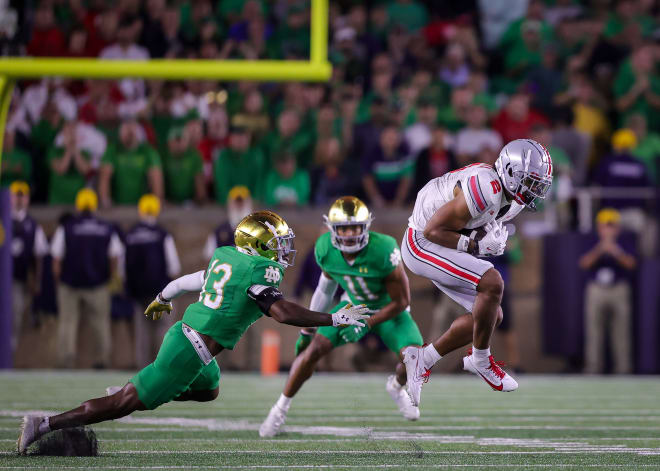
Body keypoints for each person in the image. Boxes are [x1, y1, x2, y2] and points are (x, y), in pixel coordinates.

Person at [17, 211, 369, 454]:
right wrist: (335, 319)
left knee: (210, 390)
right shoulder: (258, 271)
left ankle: (136, 386)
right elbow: (282, 312)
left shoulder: (227, 256)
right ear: (259, 245)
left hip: (192, 342)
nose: (282, 249)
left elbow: (191, 280)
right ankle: (44, 424)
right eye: (277, 242)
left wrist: (162, 297)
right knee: (122, 406)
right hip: (188, 349)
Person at [400, 139, 553, 405]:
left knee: (491, 315)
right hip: (420, 243)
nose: (535, 189)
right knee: (492, 282)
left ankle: (423, 359)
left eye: (538, 183)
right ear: (510, 173)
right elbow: (432, 231)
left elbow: (469, 225)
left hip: (439, 240)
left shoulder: (511, 201)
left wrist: (482, 241)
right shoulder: (487, 188)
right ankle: (480, 360)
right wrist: (476, 245)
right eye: (530, 182)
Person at [260, 197, 423, 437]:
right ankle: (279, 410)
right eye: (343, 228)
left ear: (365, 227)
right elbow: (324, 290)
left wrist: (368, 323)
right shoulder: (325, 248)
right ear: (332, 229)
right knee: (313, 351)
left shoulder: (384, 249)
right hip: (354, 305)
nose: (348, 234)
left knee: (415, 361)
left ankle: (396, 387)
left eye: (354, 227)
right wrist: (308, 330)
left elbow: (402, 301)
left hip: (390, 310)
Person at [50, 188, 123, 369]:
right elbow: (115, 255)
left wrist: (58, 279)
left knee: (67, 323)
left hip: (70, 284)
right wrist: (113, 276)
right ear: (95, 206)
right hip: (98, 284)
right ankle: (102, 361)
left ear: (78, 205)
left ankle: (66, 361)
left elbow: (56, 258)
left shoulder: (66, 227)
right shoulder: (106, 228)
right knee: (101, 324)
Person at [125, 194, 181, 368]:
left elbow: (123, 263)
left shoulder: (131, 233)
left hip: (137, 291)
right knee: (163, 330)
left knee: (142, 331)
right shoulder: (162, 234)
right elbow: (174, 266)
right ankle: (163, 365)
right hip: (160, 290)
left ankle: (143, 366)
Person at [578, 208, 636, 374]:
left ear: (617, 228)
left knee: (621, 332)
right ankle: (593, 368)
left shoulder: (625, 241)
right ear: (599, 227)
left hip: (619, 288)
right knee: (593, 331)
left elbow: (631, 264)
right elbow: (584, 263)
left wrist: (615, 251)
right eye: (605, 226)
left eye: (611, 226)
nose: (608, 229)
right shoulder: (591, 240)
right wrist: (600, 249)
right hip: (596, 288)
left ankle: (623, 369)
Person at [9, 182, 49, 352]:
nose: (19, 199)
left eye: (22, 196)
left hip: (18, 278)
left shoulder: (32, 225)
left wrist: (37, 280)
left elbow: (39, 255)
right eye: (16, 195)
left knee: (15, 315)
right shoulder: (3, 220)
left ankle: (9, 352)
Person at [203, 186, 253, 261]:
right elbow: (208, 258)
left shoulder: (258, 230)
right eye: (236, 202)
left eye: (241, 202)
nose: (239, 206)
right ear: (229, 203)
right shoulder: (219, 232)